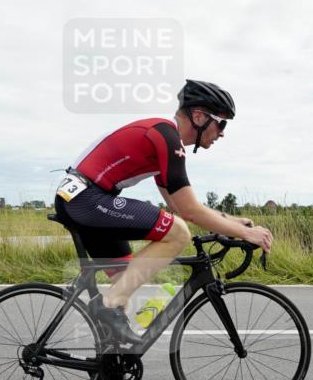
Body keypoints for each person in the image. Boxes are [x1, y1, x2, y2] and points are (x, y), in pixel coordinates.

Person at [54, 79, 273, 346]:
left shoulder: (166, 140)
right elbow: (189, 213)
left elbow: (179, 204)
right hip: (85, 199)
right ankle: (108, 306)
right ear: (199, 116)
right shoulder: (167, 135)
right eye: (222, 123)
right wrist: (246, 233)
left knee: (125, 279)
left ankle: (113, 360)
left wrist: (231, 221)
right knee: (179, 233)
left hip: (84, 199)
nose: (222, 133)